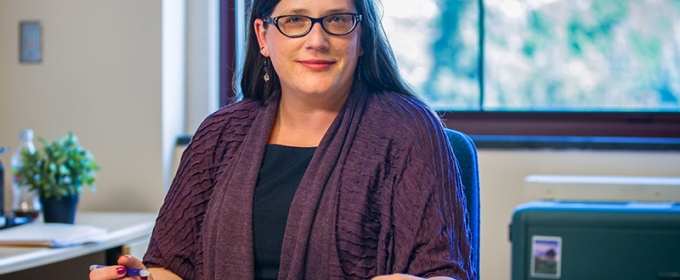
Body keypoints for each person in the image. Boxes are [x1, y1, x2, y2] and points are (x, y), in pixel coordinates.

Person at [90, 0, 473, 279]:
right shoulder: (218, 135)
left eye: (337, 20)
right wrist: (140, 279)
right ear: (263, 35)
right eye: (294, 20)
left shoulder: (407, 130)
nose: (317, 40)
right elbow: (171, 268)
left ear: (361, 35)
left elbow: (445, 272)